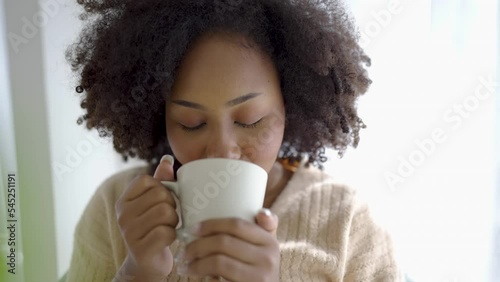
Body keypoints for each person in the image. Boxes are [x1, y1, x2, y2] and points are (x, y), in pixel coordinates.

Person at [65, 0, 401, 281]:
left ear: (289, 105)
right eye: (191, 123)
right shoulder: (115, 207)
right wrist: (136, 272)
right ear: (159, 116)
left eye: (250, 120)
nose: (222, 150)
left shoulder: (346, 221)